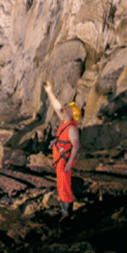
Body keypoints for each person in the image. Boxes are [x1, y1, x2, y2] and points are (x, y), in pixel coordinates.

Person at [44, 82, 81, 217]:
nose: (67, 109)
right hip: (60, 158)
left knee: (64, 184)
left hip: (64, 160)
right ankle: (64, 210)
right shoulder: (65, 121)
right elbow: (57, 107)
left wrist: (70, 162)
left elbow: (76, 145)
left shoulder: (71, 128)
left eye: (70, 109)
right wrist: (49, 92)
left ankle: (67, 212)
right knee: (61, 184)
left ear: (72, 113)